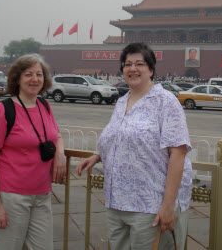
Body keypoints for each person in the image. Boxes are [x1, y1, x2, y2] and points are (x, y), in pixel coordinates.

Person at [77, 42, 192, 250]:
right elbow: (118, 137)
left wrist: (167, 206)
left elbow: (178, 153)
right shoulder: (122, 101)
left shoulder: (166, 102)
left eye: (139, 63)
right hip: (116, 201)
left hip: (148, 205)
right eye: (127, 64)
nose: (133, 69)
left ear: (151, 69)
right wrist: (98, 155)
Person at [0, 54, 66, 250]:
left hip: (42, 195)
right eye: (28, 74)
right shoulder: (4, 110)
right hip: (12, 197)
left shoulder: (44, 106)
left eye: (39, 74)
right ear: (17, 78)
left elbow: (57, 135)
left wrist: (60, 154)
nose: (35, 79)